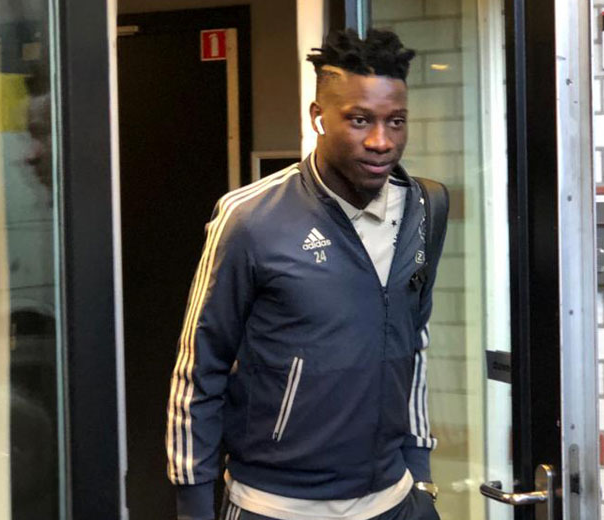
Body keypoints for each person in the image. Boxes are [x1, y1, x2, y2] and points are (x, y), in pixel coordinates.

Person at [167, 28, 446, 520]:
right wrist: (194, 505)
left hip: (393, 500)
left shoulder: (425, 206)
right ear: (318, 116)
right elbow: (198, 369)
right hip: (276, 504)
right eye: (359, 120)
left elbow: (414, 341)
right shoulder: (250, 217)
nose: (381, 142)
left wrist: (419, 474)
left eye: (396, 122)